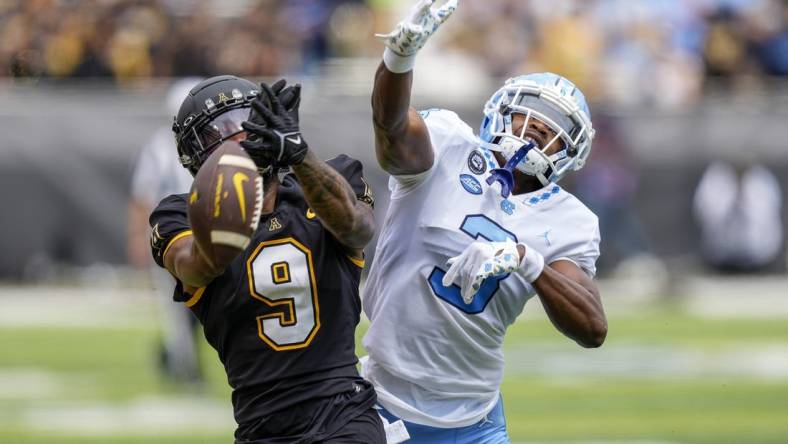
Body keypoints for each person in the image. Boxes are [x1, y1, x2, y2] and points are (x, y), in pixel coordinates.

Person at [362, 0, 608, 442]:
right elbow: (391, 128)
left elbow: (592, 329)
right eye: (529, 113)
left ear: (569, 152)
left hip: (475, 419)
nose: (536, 129)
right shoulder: (449, 144)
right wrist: (399, 58)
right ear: (502, 109)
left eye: (554, 129)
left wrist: (527, 260)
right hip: (383, 400)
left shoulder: (570, 221)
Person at [148, 75, 385, 443]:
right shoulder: (179, 217)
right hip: (260, 426)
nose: (240, 138)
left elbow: (358, 229)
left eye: (246, 123)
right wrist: (229, 212)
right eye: (220, 133)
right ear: (194, 156)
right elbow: (194, 265)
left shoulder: (328, 182)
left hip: (343, 414)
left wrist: (299, 152)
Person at [128, 78, 203, 386]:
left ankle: (177, 358)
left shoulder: (217, 145)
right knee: (177, 306)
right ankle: (183, 365)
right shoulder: (159, 147)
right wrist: (137, 237)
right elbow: (142, 195)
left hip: (206, 229)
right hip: (173, 233)